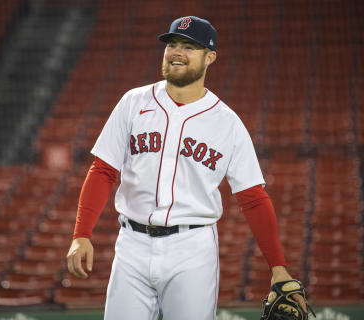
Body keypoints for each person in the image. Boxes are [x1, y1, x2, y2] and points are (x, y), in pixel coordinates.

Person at [66, 16, 308, 320]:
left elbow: (253, 198)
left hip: (192, 248)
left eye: (189, 47)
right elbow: (103, 170)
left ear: (210, 57)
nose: (176, 52)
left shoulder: (227, 123)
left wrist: (278, 267)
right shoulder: (133, 102)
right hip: (131, 244)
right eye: (172, 44)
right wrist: (80, 234)